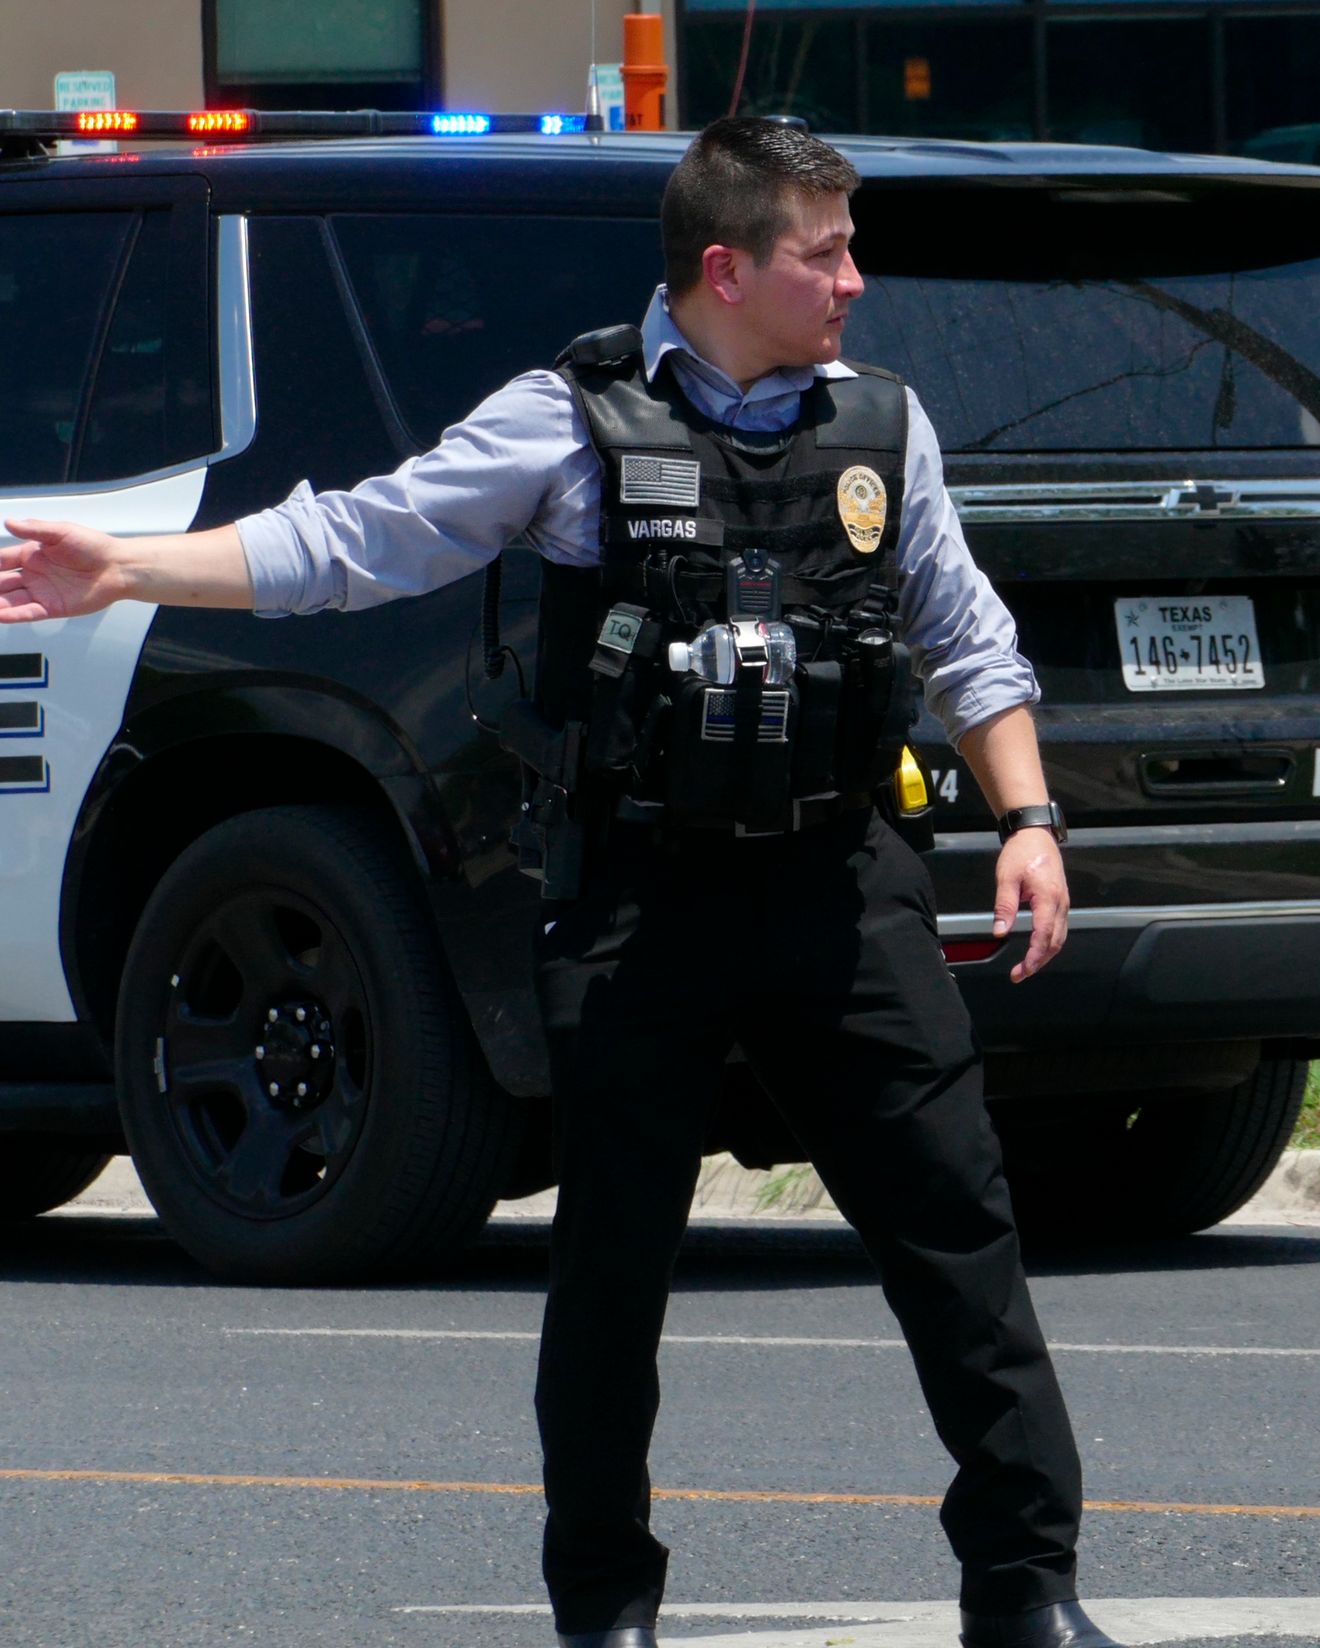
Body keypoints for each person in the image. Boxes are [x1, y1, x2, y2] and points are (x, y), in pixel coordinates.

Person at [0, 118, 1119, 1648]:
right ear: (727, 269)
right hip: (643, 891)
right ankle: (604, 1607)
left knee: (958, 1237)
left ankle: (1029, 1585)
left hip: (840, 888)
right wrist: (132, 569)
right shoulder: (566, 416)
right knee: (611, 1267)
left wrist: (1032, 816)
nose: (856, 278)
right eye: (826, 252)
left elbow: (967, 634)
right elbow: (364, 542)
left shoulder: (884, 425)